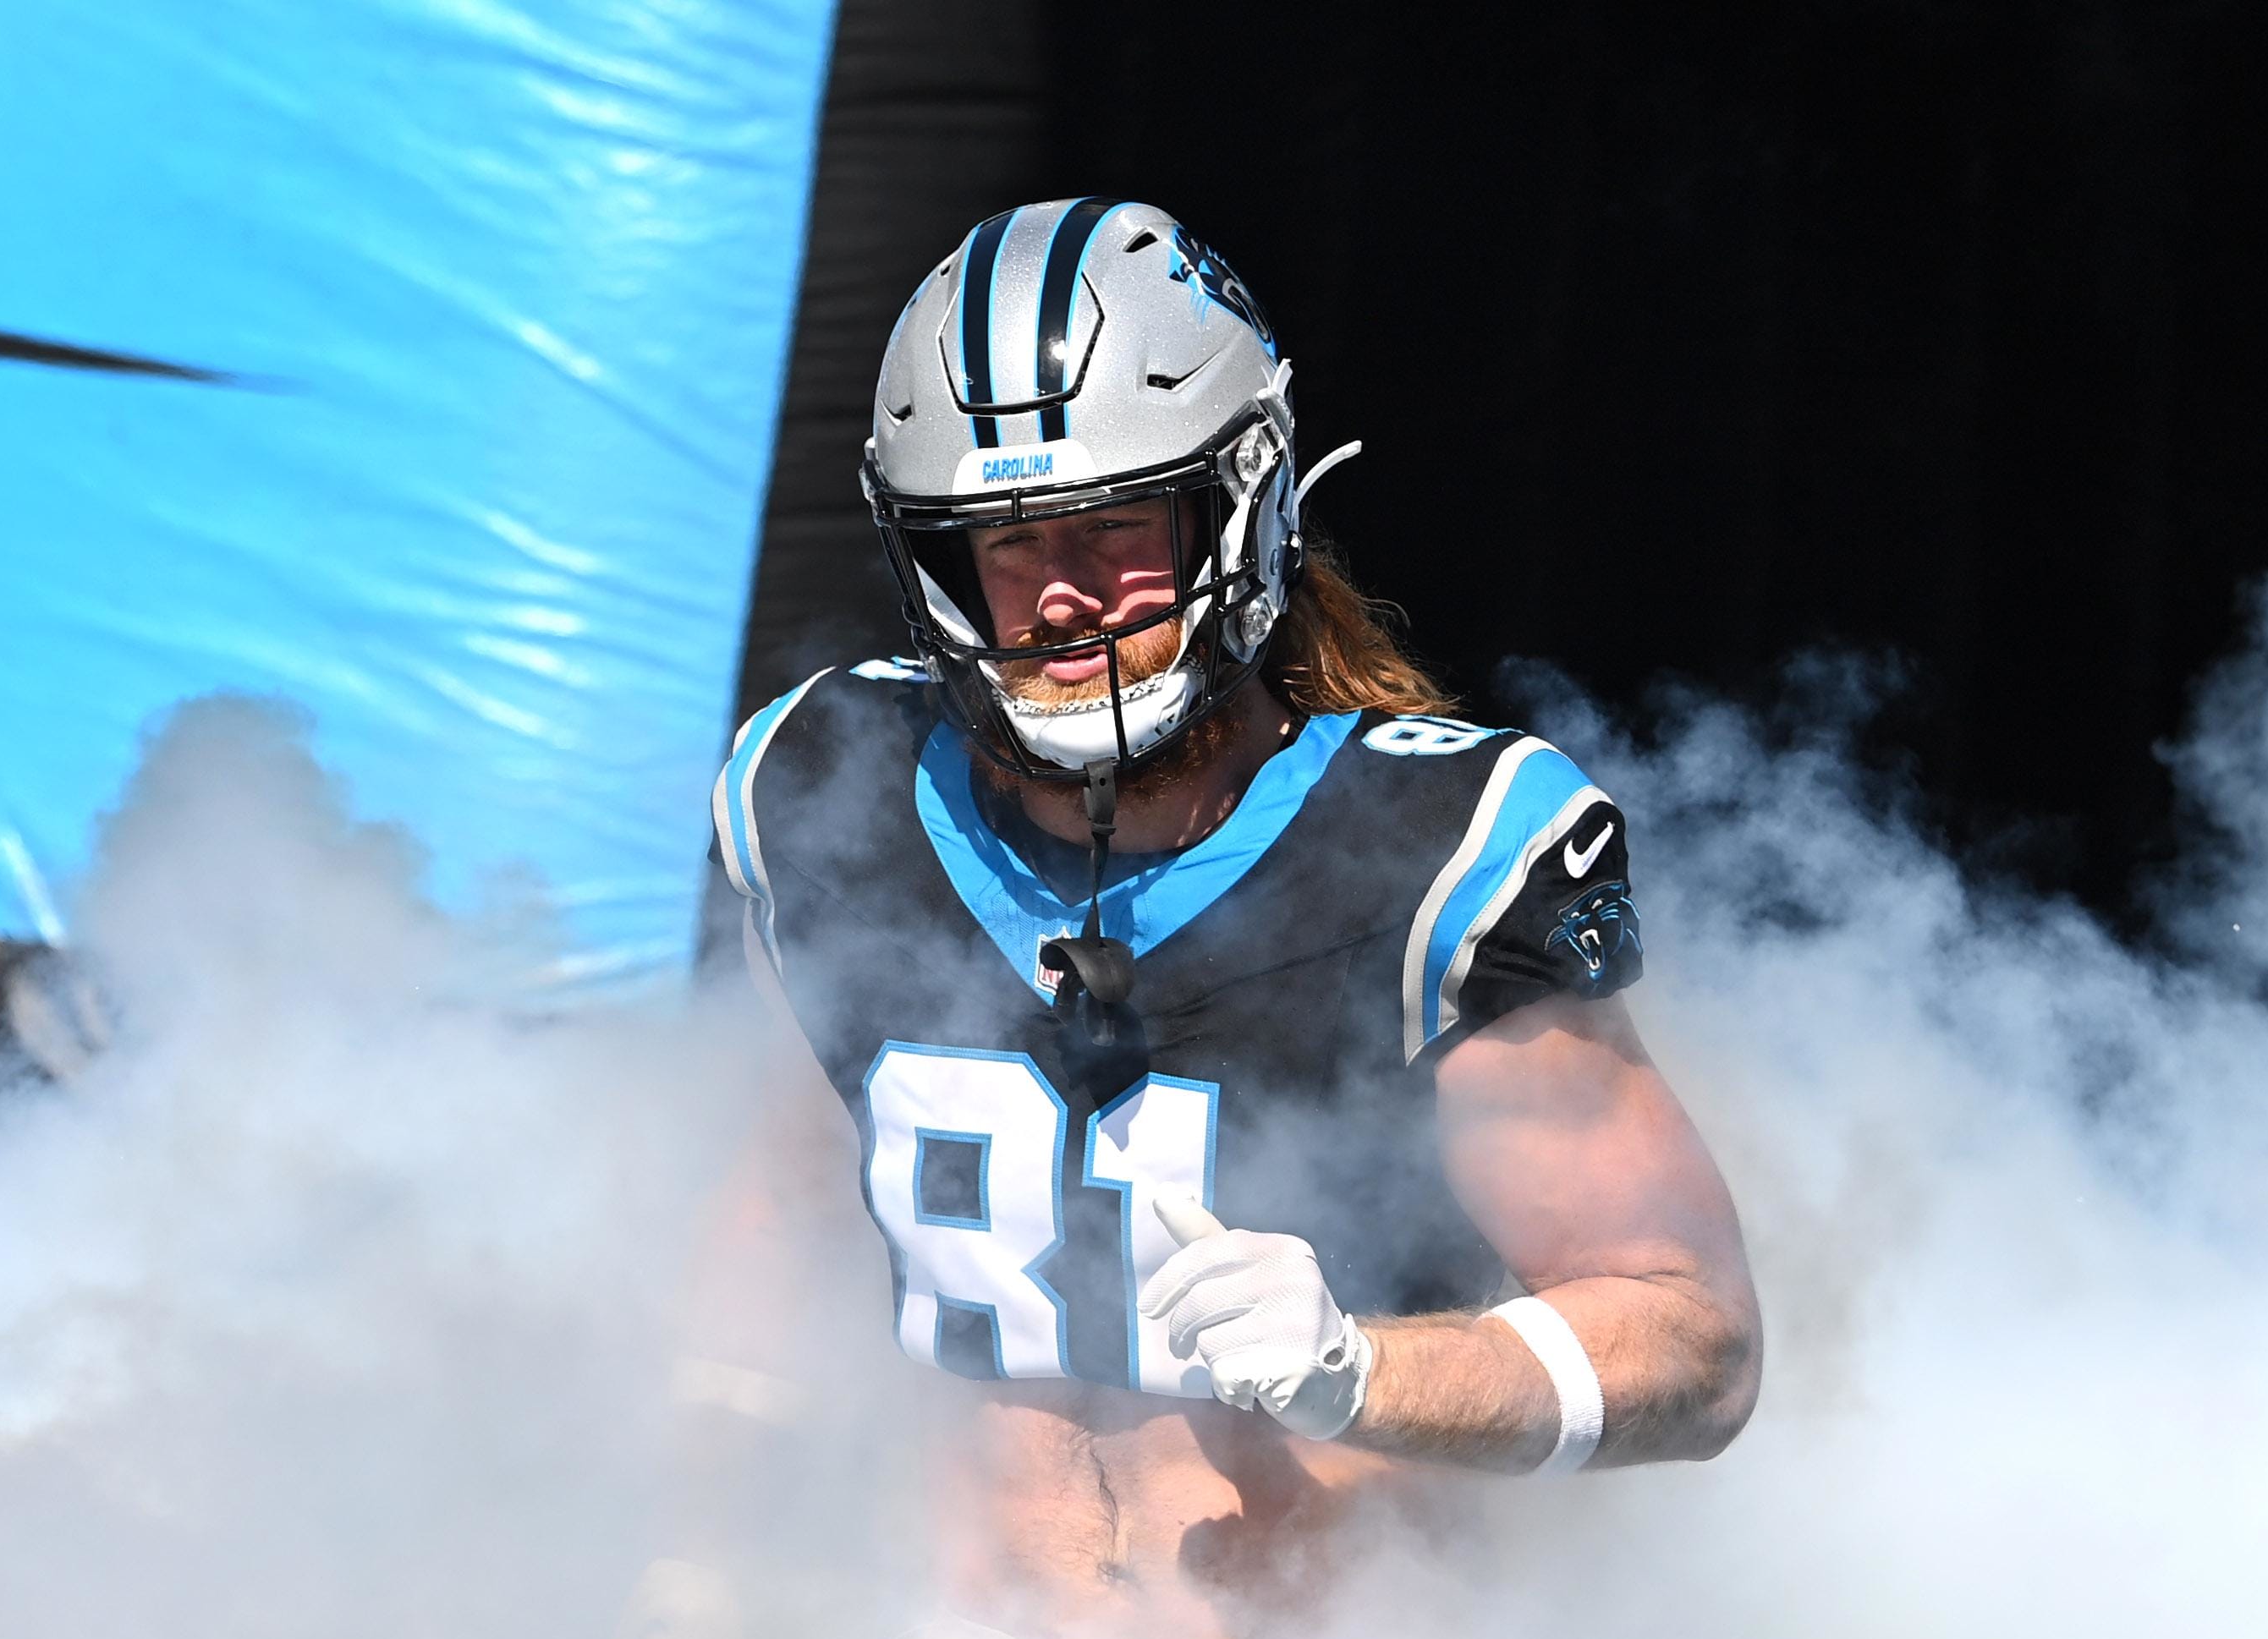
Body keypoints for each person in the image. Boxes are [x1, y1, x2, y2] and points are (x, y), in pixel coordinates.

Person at [691, 199, 1761, 1638]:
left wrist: (1359, 1370)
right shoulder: (826, 786)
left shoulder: (1427, 854)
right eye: (1006, 544)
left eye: (1113, 526)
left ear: (1241, 501)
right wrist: (693, 1551)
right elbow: (778, 1213)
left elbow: (1693, 1338)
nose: (1062, 596)